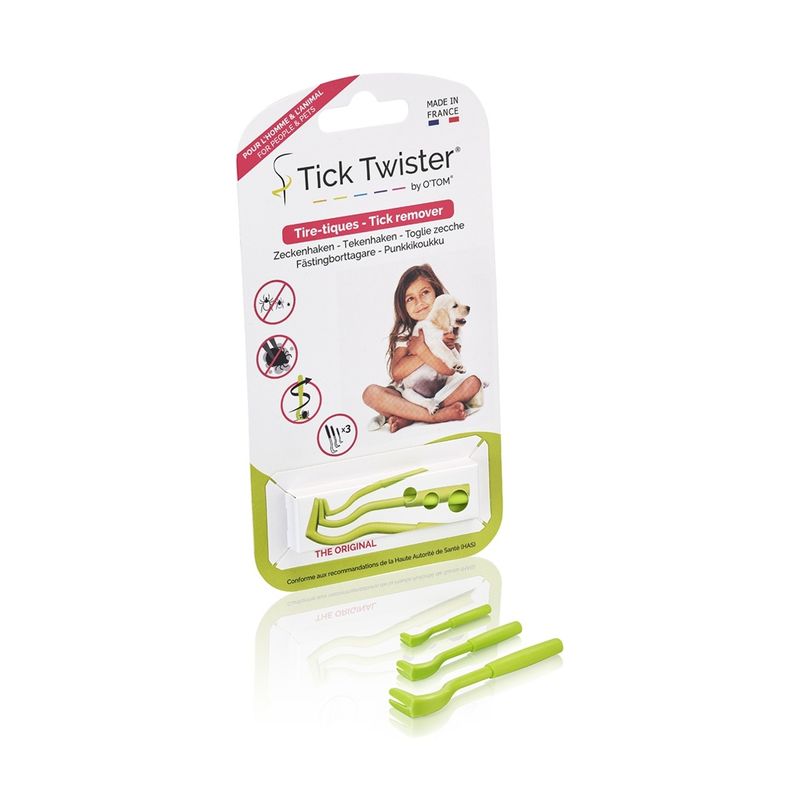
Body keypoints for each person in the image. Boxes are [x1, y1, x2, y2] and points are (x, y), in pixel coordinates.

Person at [362, 264, 483, 433]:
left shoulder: (451, 327)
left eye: (425, 292)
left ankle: (409, 416)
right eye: (410, 299)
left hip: (443, 392)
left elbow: (449, 370)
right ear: (403, 306)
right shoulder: (405, 330)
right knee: (371, 393)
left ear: (437, 293)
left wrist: (422, 349)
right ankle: (434, 416)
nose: (419, 302)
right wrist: (424, 348)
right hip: (409, 395)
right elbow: (397, 373)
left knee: (473, 383)